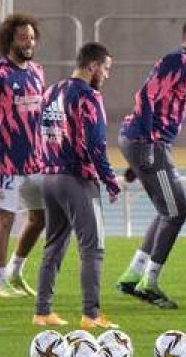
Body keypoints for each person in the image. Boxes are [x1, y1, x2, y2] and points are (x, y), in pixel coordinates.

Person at [115, 18, 186, 310]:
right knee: (177, 211)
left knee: (166, 210)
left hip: (143, 141)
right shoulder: (179, 61)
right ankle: (149, 282)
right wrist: (146, 144)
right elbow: (145, 97)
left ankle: (133, 275)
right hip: (150, 142)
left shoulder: (183, 63)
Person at [32, 42, 121, 330]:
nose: (106, 76)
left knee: (54, 245)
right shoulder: (88, 96)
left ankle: (42, 311)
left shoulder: (51, 91)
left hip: (50, 178)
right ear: (93, 66)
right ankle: (91, 314)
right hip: (76, 180)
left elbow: (39, 133)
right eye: (105, 69)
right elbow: (96, 145)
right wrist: (110, 181)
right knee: (93, 248)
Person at [0, 13, 46, 298]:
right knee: (4, 219)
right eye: (22, 37)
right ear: (9, 41)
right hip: (7, 161)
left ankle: (16, 271)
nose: (28, 42)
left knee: (40, 218)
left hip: (35, 159)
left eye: (31, 37)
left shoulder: (37, 71)